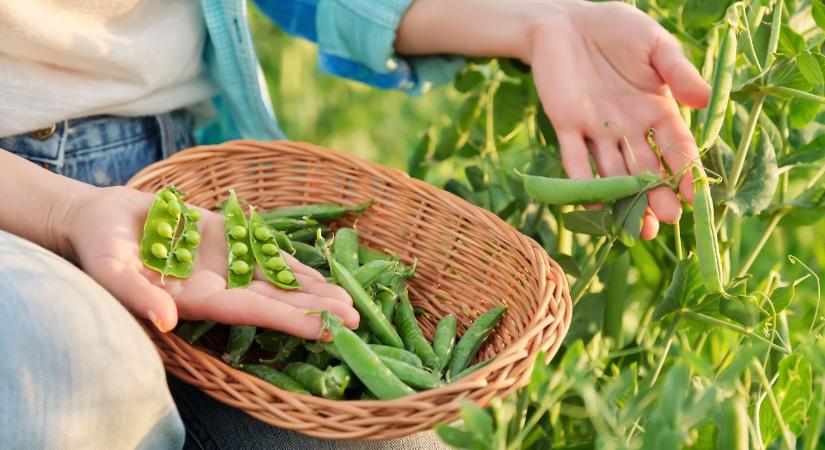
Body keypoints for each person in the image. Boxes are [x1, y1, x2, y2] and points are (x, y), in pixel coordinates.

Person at [0, 0, 710, 448]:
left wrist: (535, 18)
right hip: (18, 208)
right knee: (71, 386)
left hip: (182, 188)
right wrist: (65, 208)